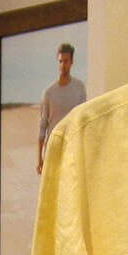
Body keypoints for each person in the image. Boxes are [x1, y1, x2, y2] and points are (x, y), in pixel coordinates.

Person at [37, 42, 86, 174]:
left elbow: (82, 120)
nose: (63, 65)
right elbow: (42, 126)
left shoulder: (79, 88)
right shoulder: (49, 93)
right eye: (60, 61)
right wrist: (39, 159)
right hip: (53, 149)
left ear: (71, 62)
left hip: (72, 148)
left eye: (66, 61)